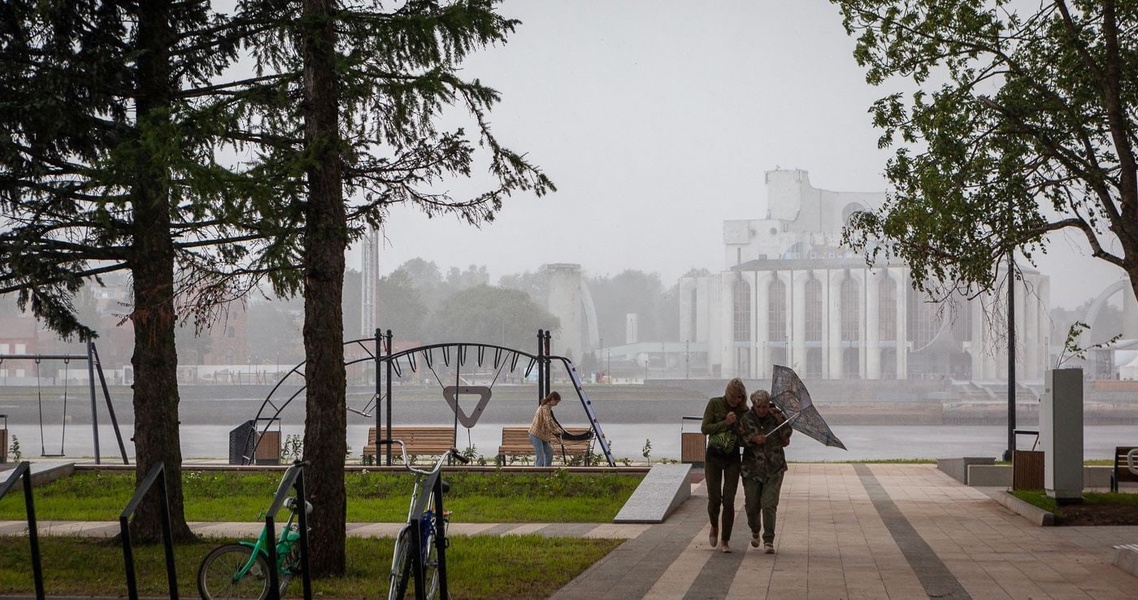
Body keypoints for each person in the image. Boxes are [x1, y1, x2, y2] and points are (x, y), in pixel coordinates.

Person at [739, 389, 792, 554]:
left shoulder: (776, 417)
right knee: (752, 505)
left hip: (774, 468)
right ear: (754, 405)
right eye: (759, 406)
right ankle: (755, 529)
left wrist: (779, 419)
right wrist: (753, 439)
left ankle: (768, 540)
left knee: (769, 504)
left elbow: (787, 434)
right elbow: (739, 439)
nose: (762, 410)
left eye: (764, 406)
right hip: (752, 470)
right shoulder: (746, 419)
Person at [701, 377, 748, 553]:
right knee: (714, 498)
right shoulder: (714, 404)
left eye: (740, 398)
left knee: (729, 500)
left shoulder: (744, 411)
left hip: (733, 459)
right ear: (728, 394)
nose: (736, 401)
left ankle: (725, 540)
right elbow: (705, 428)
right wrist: (725, 423)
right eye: (734, 397)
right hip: (713, 457)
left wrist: (741, 432)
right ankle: (714, 524)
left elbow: (745, 440)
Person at [529, 391, 566, 467]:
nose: (556, 404)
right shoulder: (545, 408)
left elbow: (551, 421)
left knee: (549, 453)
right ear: (552, 399)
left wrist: (558, 429)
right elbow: (548, 423)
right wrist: (557, 431)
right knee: (540, 457)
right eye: (556, 402)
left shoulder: (548, 408)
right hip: (535, 435)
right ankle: (537, 475)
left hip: (542, 436)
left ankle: (546, 472)